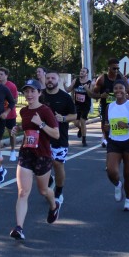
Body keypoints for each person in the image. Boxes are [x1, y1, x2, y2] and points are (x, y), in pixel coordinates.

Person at [10, 79, 61, 240]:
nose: (29, 94)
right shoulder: (24, 111)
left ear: (39, 93)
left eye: (33, 91)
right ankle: (19, 228)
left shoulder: (45, 111)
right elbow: (27, 128)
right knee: (22, 192)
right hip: (26, 153)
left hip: (42, 155)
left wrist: (41, 124)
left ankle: (54, 205)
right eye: (26, 91)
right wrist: (18, 128)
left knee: (43, 191)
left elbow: (56, 134)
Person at [105, 81, 129, 211]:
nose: (118, 91)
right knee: (111, 171)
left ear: (125, 91)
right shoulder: (109, 107)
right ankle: (117, 184)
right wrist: (106, 129)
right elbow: (105, 124)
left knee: (128, 174)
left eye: (121, 88)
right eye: (116, 88)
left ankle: (128, 199)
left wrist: (128, 125)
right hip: (114, 141)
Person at [40, 69, 77, 206]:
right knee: (40, 165)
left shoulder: (65, 97)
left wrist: (63, 118)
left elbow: (74, 115)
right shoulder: (40, 95)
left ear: (58, 80)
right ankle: (50, 180)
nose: (50, 80)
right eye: (48, 78)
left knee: (57, 164)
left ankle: (58, 192)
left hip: (59, 137)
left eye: (53, 78)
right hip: (42, 137)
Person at [93, 59, 129, 148]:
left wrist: (121, 96)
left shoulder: (122, 79)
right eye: (114, 68)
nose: (116, 71)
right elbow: (94, 94)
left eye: (117, 68)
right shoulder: (101, 79)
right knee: (105, 124)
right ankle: (106, 138)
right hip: (106, 107)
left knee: (117, 124)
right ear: (109, 68)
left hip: (119, 107)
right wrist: (101, 95)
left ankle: (118, 140)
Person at [67, 66, 94, 146]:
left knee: (82, 121)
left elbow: (91, 94)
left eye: (83, 71)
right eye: (81, 71)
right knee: (75, 122)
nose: (81, 72)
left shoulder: (89, 83)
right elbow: (68, 90)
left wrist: (86, 88)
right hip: (77, 105)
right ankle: (80, 129)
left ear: (87, 74)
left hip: (85, 105)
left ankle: (84, 140)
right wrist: (64, 85)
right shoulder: (76, 81)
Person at [0, 67, 20, 161]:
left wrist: (7, 101)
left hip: (10, 114)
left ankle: (13, 151)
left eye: (1, 74)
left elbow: (15, 100)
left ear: (6, 76)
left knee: (12, 133)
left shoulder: (11, 86)